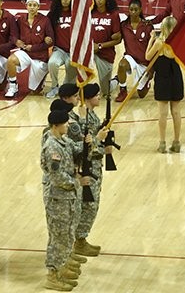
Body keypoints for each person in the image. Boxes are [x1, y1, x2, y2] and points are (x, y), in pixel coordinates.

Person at [41, 109, 85, 291]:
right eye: (65, 123)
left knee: (66, 234)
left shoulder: (63, 141)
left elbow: (77, 149)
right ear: (56, 125)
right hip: (58, 197)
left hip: (67, 197)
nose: (68, 125)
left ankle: (62, 266)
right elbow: (57, 176)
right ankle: (52, 275)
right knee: (58, 237)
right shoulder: (52, 147)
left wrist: (95, 139)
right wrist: (76, 182)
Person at [74, 83, 109, 257]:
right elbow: (83, 145)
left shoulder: (92, 116)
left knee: (92, 204)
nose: (99, 97)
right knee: (88, 205)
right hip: (87, 165)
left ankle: (81, 238)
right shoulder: (83, 118)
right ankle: (78, 239)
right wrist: (98, 138)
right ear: (87, 98)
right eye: (96, 95)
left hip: (96, 164)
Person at [145, 16, 182, 153]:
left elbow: (147, 57)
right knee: (176, 111)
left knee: (162, 113)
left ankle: (162, 143)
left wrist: (151, 39)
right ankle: (177, 142)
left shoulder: (159, 43)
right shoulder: (179, 42)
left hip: (162, 77)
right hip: (176, 76)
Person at [4, 0, 54, 98]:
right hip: (25, 53)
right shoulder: (21, 19)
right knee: (11, 60)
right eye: (30, 5)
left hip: (40, 56)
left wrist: (34, 47)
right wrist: (16, 41)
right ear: (26, 6)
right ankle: (13, 86)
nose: (32, 7)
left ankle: (41, 79)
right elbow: (13, 35)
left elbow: (50, 41)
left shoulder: (45, 20)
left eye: (34, 5)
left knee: (34, 92)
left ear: (38, 7)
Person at [114, 0, 153, 102]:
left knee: (141, 95)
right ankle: (123, 90)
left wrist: (152, 68)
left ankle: (147, 82)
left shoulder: (147, 26)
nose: (133, 12)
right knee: (122, 64)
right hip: (130, 58)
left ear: (140, 10)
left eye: (136, 9)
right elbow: (117, 40)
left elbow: (154, 47)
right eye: (131, 9)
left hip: (144, 62)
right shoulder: (124, 26)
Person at [46, 0, 77, 98]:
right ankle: (54, 86)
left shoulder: (76, 14)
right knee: (52, 63)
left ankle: (67, 87)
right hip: (59, 49)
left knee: (71, 65)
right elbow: (47, 31)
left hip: (73, 50)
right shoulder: (53, 14)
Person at [91, 0, 121, 97]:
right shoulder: (90, 13)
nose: (99, 0)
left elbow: (118, 39)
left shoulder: (113, 15)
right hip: (90, 52)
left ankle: (116, 80)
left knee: (105, 91)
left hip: (105, 54)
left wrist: (99, 46)